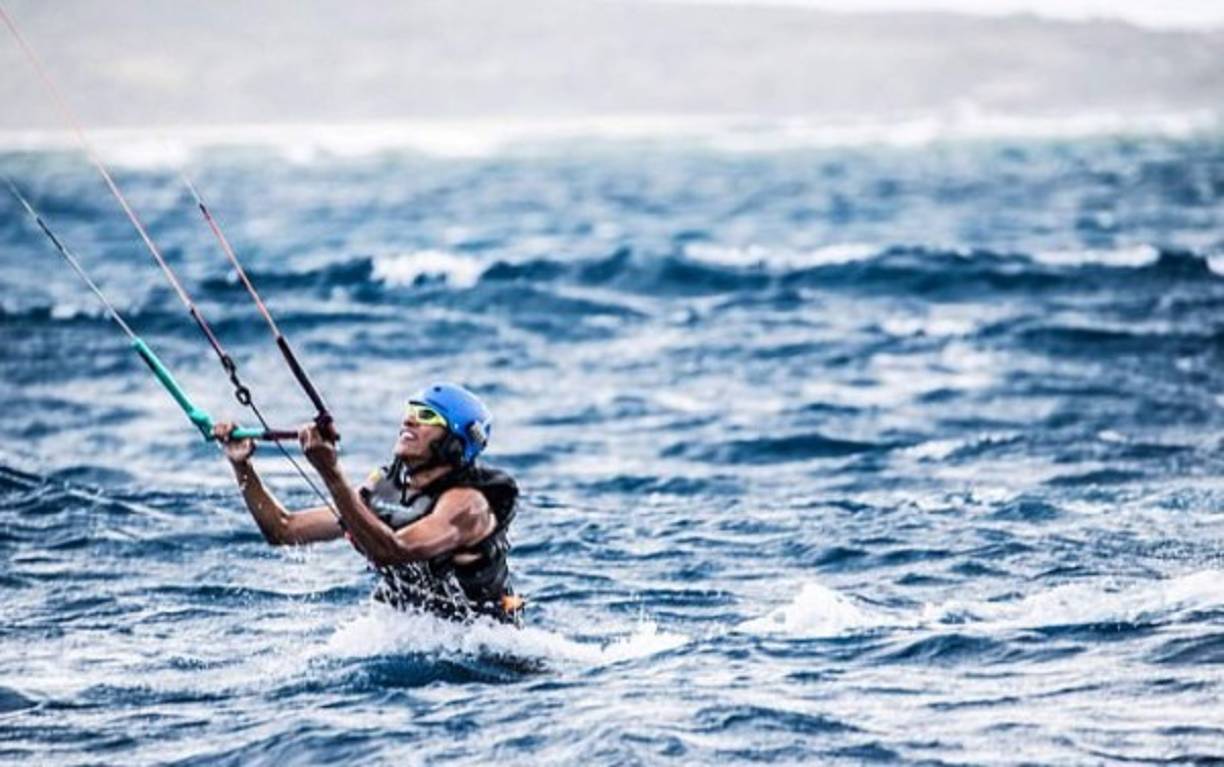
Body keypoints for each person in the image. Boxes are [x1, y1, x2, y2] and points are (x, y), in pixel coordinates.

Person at [213, 383, 523, 626]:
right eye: (411, 410)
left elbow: (391, 552)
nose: (409, 420)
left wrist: (330, 472)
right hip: (416, 635)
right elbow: (283, 530)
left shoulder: (468, 505)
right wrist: (242, 465)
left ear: (456, 441)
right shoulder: (384, 489)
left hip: (484, 647)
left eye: (427, 416)